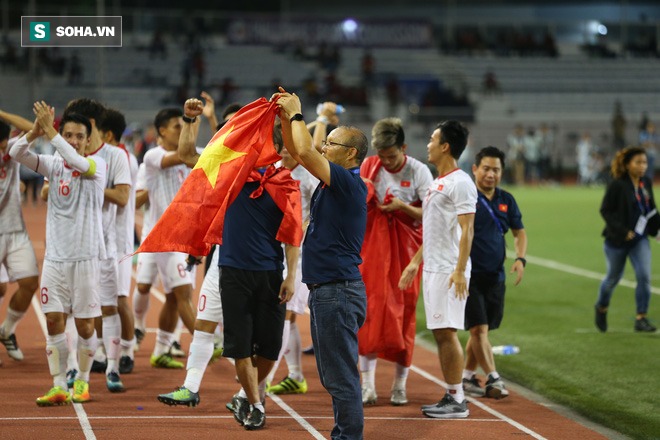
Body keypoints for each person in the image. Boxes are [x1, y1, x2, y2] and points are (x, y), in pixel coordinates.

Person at [158, 99, 301, 434]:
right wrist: (190, 120)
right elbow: (188, 156)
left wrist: (291, 276)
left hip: (271, 272)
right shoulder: (232, 174)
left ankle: (245, 393)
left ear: (276, 148)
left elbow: (293, 235)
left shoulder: (285, 182)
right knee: (237, 345)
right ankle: (252, 403)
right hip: (231, 271)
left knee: (269, 348)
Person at [274, 89, 369, 440]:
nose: (324, 147)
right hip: (330, 290)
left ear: (351, 154)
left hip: (337, 292)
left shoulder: (347, 182)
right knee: (334, 374)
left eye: (331, 143)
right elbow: (300, 151)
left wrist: (298, 114)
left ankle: (348, 437)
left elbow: (303, 151)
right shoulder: (336, 182)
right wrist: (285, 117)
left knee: (339, 375)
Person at [10, 102, 106, 406]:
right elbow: (15, 154)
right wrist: (35, 131)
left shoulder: (97, 166)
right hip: (55, 260)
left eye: (80, 136)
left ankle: (82, 381)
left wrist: (51, 133)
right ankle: (58, 385)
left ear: (89, 140)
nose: (74, 140)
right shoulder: (53, 165)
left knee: (85, 325)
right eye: (69, 134)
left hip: (86, 260)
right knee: (53, 321)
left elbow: (78, 162)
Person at [399, 120, 477, 419]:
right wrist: (416, 262)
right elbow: (433, 230)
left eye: (433, 139)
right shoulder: (438, 181)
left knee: (447, 333)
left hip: (448, 270)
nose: (428, 144)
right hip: (433, 267)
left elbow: (467, 230)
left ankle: (457, 398)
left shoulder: (461, 182)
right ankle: (453, 394)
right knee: (441, 332)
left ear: (445, 146)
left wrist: (458, 270)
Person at [358, 117, 433, 406]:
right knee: (369, 312)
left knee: (404, 314)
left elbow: (432, 215)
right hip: (374, 250)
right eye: (382, 156)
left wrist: (402, 206)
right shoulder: (370, 166)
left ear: (403, 147)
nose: (387, 162)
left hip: (407, 251)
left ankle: (399, 384)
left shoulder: (419, 172)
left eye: (392, 156)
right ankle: (368, 385)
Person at [59, 98, 131, 393]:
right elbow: (49, 189)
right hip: (69, 246)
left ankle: (113, 369)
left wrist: (93, 183)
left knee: (109, 307)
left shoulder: (115, 156)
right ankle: (71, 368)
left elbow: (124, 197)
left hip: (103, 247)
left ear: (90, 127)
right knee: (69, 310)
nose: (74, 138)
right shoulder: (64, 154)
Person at [461, 146, 527, 400]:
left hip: (496, 276)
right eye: (486, 168)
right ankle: (493, 377)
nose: (491, 174)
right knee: (478, 331)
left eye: (496, 170)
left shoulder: (506, 200)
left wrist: (521, 258)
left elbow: (519, 232)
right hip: (470, 276)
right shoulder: (467, 197)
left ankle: (467, 377)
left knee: (482, 332)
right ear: (475, 169)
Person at [142, 108, 198, 368]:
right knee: (181, 294)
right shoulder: (154, 155)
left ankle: (162, 348)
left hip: (187, 237)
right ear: (162, 131)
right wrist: (191, 119)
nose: (182, 131)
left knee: (174, 298)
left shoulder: (184, 157)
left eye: (183, 126)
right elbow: (187, 155)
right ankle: (205, 346)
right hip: (166, 237)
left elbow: (193, 156)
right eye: (177, 126)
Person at [266, 124, 319, 396]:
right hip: (278, 251)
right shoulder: (275, 173)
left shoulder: (309, 177)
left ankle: (265, 378)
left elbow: (316, 215)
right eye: (281, 146)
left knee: (284, 314)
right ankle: (296, 375)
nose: (284, 151)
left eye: (289, 146)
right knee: (286, 315)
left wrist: (298, 229)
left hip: (299, 253)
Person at [595, 147, 659, 333]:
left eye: (645, 162)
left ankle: (641, 318)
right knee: (613, 279)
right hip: (616, 241)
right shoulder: (617, 184)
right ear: (627, 164)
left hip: (639, 240)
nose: (642, 166)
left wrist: (656, 230)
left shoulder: (646, 182)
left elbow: (651, 209)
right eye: (638, 162)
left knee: (644, 277)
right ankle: (601, 307)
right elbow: (605, 210)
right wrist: (622, 231)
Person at [97, 108, 140, 374]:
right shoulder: (111, 156)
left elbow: (121, 196)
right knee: (104, 300)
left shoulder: (123, 157)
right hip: (106, 238)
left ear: (108, 134)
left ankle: (128, 350)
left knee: (120, 299)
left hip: (121, 239)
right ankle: (104, 350)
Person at [0, 119, 40, 362]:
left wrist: (2, 112)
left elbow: (36, 128)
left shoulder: (11, 150)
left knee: (30, 282)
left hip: (14, 230)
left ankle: (6, 330)